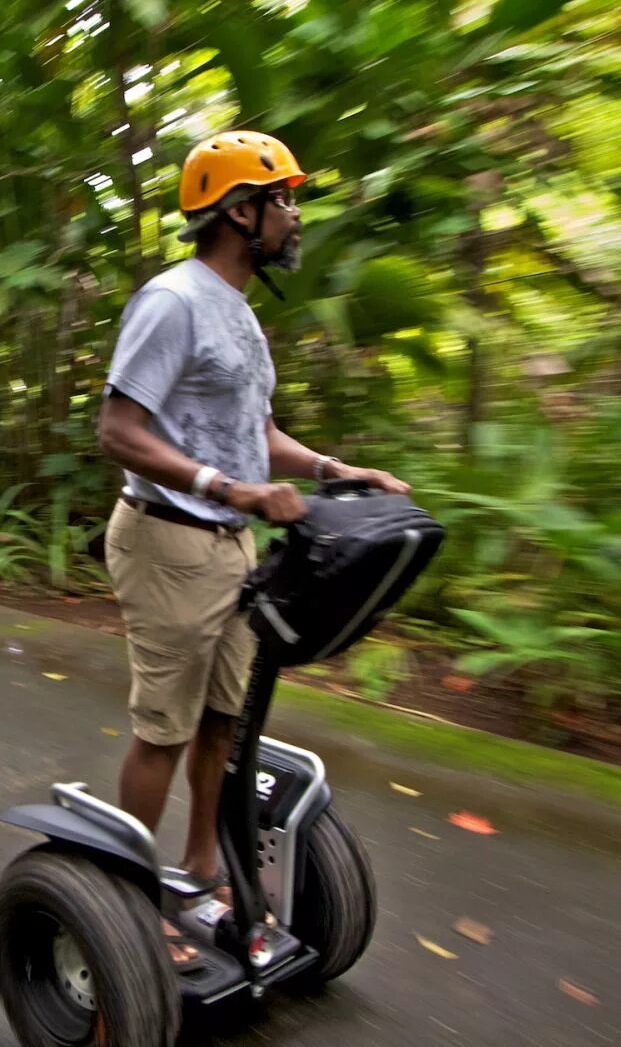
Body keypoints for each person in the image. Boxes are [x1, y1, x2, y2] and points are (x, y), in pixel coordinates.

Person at [97, 130, 411, 957]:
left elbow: (255, 432)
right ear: (241, 210)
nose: (295, 216)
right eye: (285, 200)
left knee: (225, 722)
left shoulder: (236, 311)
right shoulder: (172, 300)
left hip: (233, 545)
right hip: (168, 541)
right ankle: (125, 903)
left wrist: (337, 470)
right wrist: (223, 486)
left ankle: (203, 863)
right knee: (164, 726)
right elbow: (120, 430)